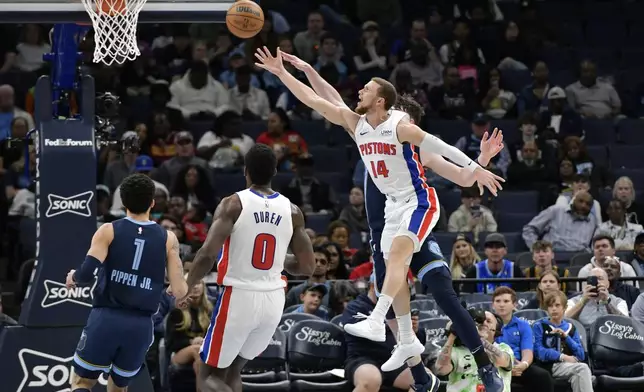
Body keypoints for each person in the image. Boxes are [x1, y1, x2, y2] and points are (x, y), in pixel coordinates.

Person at [255, 46, 504, 374]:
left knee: (422, 275)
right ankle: (407, 343)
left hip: (419, 206)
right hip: (393, 212)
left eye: (369, 91)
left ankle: (477, 362)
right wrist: (290, 71)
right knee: (391, 269)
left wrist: (481, 161)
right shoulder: (360, 125)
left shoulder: (408, 136)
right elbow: (324, 100)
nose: (362, 93)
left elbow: (459, 170)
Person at [180, 144, 316, 392]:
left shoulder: (233, 204)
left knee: (207, 372)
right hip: (273, 301)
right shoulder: (293, 211)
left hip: (239, 297)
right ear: (275, 171)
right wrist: (280, 259)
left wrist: (186, 285)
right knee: (232, 370)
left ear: (246, 171)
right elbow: (307, 267)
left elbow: (207, 254)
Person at [65, 173, 188, 392]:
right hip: (140, 326)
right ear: (152, 202)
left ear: (122, 202)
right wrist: (171, 287)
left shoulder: (108, 230)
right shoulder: (168, 238)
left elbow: (86, 274)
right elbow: (179, 290)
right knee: (119, 388)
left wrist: (73, 276)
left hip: (107, 318)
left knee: (82, 382)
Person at [434, 310, 514, 392]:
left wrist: (478, 340)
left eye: (488, 321)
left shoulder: (504, 348)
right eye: (479, 321)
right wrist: (453, 334)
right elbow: (441, 369)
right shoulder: (455, 350)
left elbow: (500, 360)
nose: (483, 323)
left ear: (496, 329)